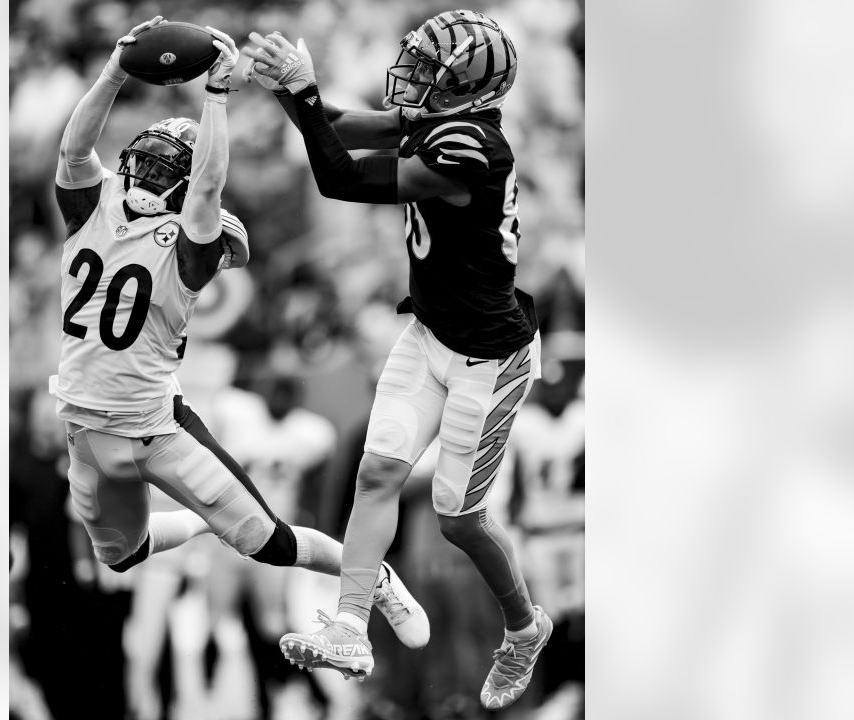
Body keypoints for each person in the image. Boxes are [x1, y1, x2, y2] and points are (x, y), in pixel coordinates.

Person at [49, 16, 430, 670]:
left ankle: (375, 583)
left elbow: (206, 190)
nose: (137, 174)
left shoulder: (189, 246)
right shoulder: (93, 206)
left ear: (179, 187)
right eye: (137, 159)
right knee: (121, 555)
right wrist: (115, 70)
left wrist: (217, 98)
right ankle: (200, 523)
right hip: (85, 425)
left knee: (270, 543)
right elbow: (75, 152)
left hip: (154, 426)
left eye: (157, 169)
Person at [242, 9, 550, 709]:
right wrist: (298, 89)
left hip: (489, 357)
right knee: (377, 470)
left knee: (457, 518)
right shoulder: (445, 123)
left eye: (429, 69)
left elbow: (342, 177)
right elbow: (348, 127)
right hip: (431, 333)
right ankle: (351, 626)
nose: (411, 76)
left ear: (467, 87)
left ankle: (525, 629)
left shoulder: (472, 148)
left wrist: (303, 99)